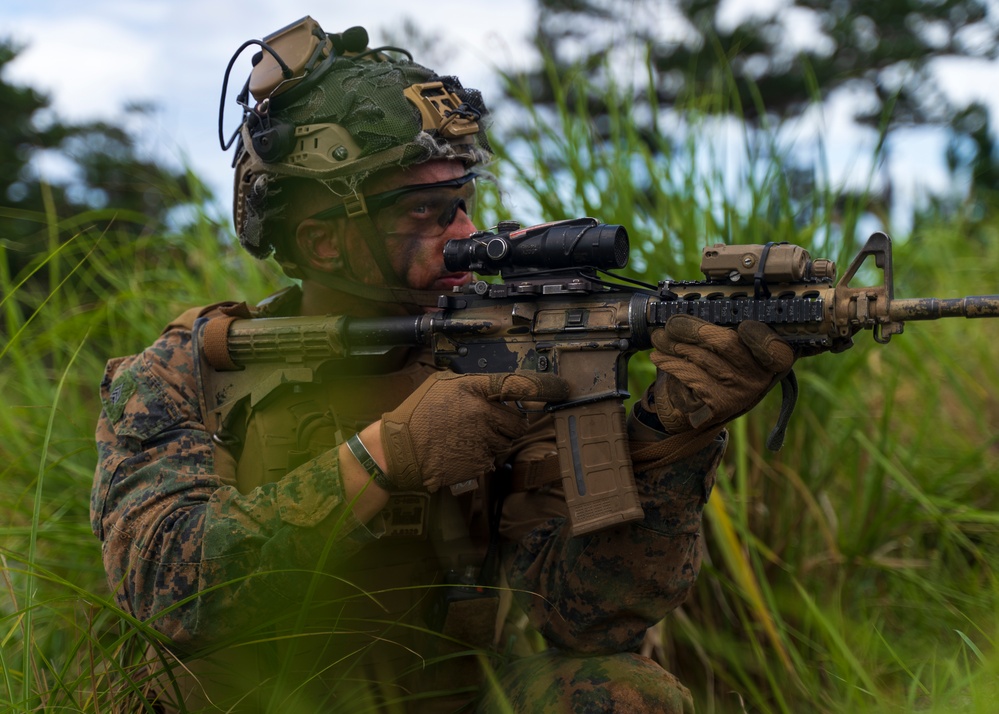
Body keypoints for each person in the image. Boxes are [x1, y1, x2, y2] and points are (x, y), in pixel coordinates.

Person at [91, 16, 795, 713]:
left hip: (438, 698)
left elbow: (588, 618)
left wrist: (671, 437)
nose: (466, 233)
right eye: (428, 211)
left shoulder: (495, 353)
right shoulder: (186, 375)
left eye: (464, 201)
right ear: (323, 240)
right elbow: (170, 593)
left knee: (625, 695)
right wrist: (389, 455)